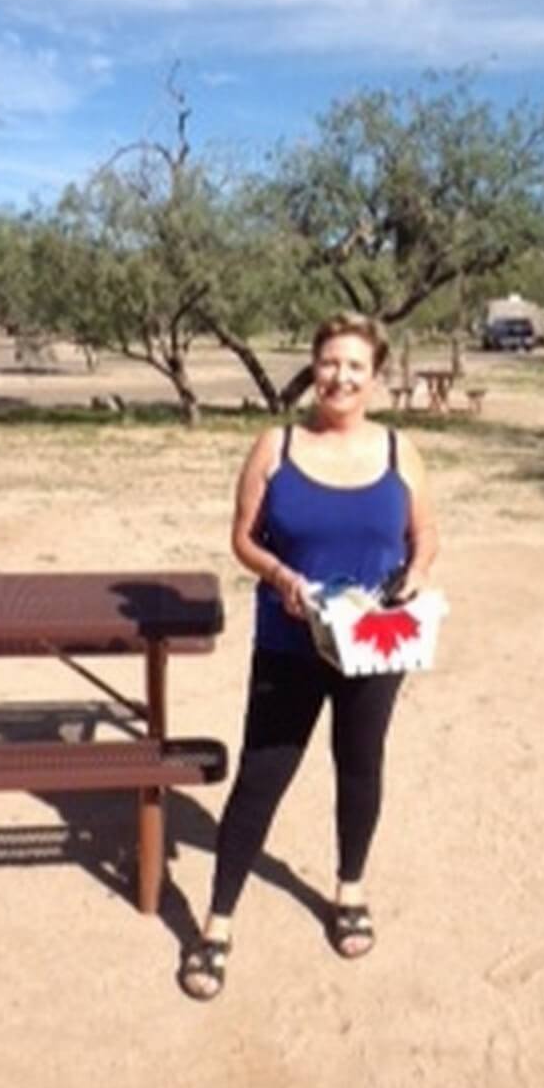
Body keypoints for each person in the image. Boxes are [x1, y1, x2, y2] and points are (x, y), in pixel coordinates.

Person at [179, 311, 438, 1001]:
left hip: (376, 642)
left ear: (375, 380)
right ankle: (217, 923)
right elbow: (243, 538)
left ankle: (349, 890)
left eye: (356, 366)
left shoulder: (398, 451)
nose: (340, 377)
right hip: (290, 641)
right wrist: (280, 577)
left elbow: (426, 537)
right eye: (330, 362)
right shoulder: (275, 446)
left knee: (360, 766)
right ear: (313, 368)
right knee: (262, 776)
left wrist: (414, 578)